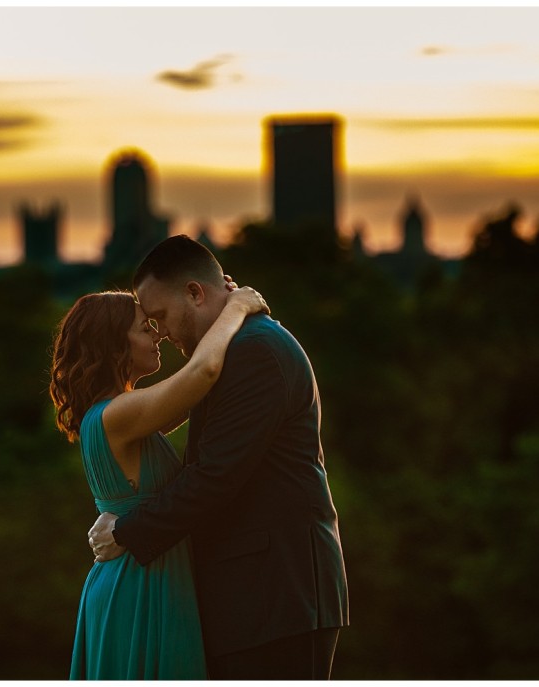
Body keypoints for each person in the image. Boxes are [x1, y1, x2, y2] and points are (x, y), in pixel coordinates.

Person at [88, 234, 350, 680]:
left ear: (195, 292)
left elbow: (215, 476)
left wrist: (129, 530)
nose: (163, 334)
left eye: (161, 317)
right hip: (254, 599)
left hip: (277, 596)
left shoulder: (256, 352)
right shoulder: (235, 349)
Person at [50, 283, 270, 679]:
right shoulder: (118, 414)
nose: (158, 334)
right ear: (115, 346)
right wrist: (234, 309)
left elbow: (195, 396)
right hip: (140, 584)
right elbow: (202, 372)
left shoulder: (118, 414)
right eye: (143, 327)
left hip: (138, 574)